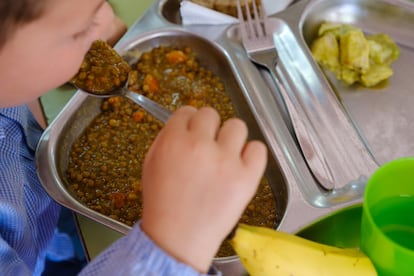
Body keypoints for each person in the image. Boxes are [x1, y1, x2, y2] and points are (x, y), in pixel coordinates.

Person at [0, 0, 267, 275]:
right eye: (80, 30)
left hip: (48, 220)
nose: (107, 19)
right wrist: (174, 242)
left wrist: (77, 23)